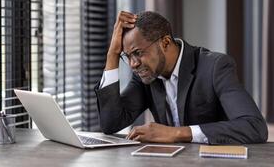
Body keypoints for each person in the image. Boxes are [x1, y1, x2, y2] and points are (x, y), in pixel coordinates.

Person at [94, 11, 268, 144]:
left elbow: (254, 127)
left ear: (165, 42)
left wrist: (176, 133)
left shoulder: (215, 67)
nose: (133, 64)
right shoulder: (146, 76)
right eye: (127, 56)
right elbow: (111, 123)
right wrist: (112, 54)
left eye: (138, 53)